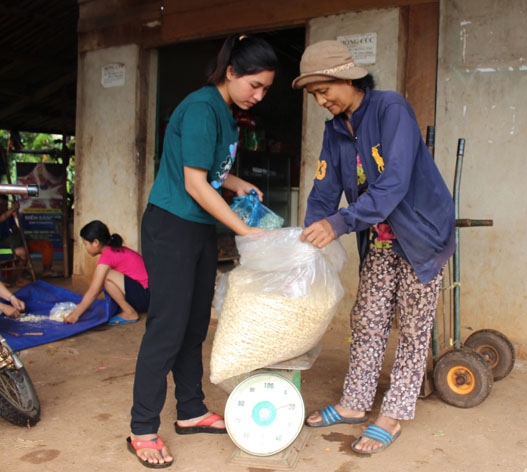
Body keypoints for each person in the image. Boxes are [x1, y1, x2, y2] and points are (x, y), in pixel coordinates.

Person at [292, 40, 456, 454]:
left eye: (325, 90)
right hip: (381, 235)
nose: (321, 100)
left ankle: (394, 414)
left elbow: (395, 182)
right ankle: (354, 404)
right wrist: (310, 232)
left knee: (415, 328)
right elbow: (325, 186)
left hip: (421, 234)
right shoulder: (336, 129)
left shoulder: (390, 109)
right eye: (315, 95)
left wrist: (341, 222)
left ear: (348, 77)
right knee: (367, 319)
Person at [127, 33, 278, 468]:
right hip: (171, 225)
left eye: (266, 88)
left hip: (198, 230)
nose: (259, 95)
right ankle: (142, 428)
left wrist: (235, 183)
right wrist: (244, 230)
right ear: (231, 72)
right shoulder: (200, 107)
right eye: (254, 84)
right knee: (167, 328)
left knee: (194, 326)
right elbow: (193, 182)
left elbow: (209, 171)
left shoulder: (227, 115)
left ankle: (191, 411)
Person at [64, 220, 149, 325]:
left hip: (147, 297)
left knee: (106, 277)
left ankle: (129, 313)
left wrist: (75, 314)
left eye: (85, 244)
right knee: (104, 279)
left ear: (95, 242)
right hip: (151, 295)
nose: (85, 248)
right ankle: (128, 310)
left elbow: (94, 291)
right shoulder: (114, 249)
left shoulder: (108, 256)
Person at [0, 196, 29, 286]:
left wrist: (21, 236)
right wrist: (12, 209)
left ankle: (19, 278)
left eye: (5, 205)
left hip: (5, 247)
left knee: (23, 252)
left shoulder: (8, 216)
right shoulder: (6, 215)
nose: (3, 207)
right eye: (1, 205)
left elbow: (15, 229)